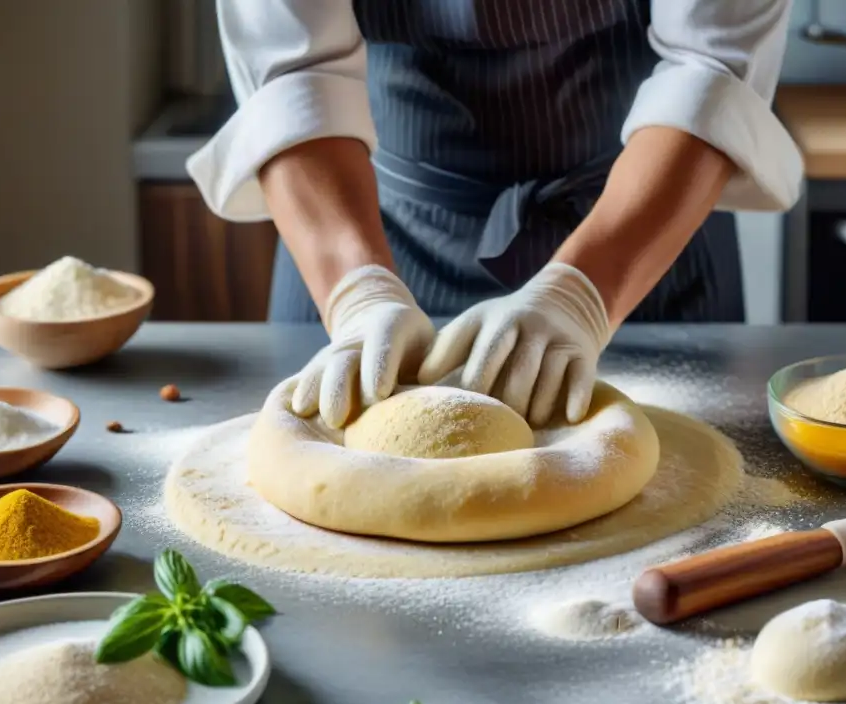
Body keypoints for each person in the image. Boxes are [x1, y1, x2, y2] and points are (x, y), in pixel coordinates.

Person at [189, 1, 802, 429]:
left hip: (644, 235)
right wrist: (358, 296)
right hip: (361, 225)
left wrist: (581, 296)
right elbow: (293, 74)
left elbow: (712, 67)